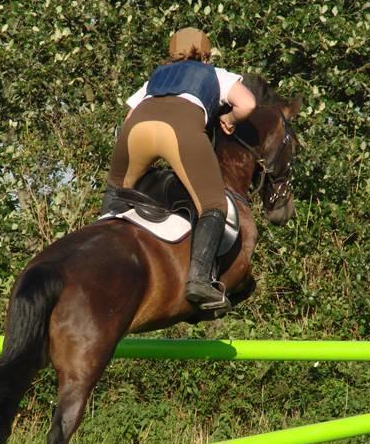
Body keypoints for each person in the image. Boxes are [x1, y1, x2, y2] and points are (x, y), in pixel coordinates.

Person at [102, 27, 257, 311]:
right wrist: (231, 119)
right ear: (207, 55)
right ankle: (199, 280)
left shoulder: (156, 77)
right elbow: (248, 104)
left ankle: (97, 253)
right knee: (213, 204)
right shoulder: (214, 74)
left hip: (134, 133)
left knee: (116, 194)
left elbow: (129, 118)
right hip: (180, 132)